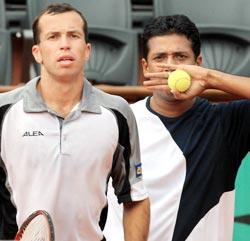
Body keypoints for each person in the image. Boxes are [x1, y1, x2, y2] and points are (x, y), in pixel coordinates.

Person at [0, 3, 150, 241]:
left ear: (87, 49)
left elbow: (135, 197)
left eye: (74, 35)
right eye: (53, 36)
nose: (65, 44)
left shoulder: (117, 112)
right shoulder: (4, 111)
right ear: (37, 51)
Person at [104, 15, 250, 241]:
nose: (170, 66)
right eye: (160, 57)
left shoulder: (225, 123)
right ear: (145, 67)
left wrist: (211, 79)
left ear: (198, 64)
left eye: (180, 57)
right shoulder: (118, 120)